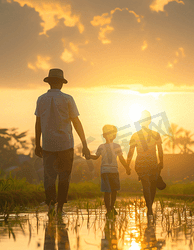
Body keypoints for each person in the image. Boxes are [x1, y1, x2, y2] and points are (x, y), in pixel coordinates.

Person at [34, 68, 90, 215]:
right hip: (65, 144)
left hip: (48, 145)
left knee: (49, 177)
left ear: (50, 83)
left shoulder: (41, 99)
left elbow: (38, 123)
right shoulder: (67, 99)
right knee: (64, 176)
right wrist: (84, 145)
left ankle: (51, 205)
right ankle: (60, 207)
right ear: (61, 83)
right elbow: (76, 122)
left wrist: (37, 144)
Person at [126, 110, 164, 216]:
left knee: (151, 186)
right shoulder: (136, 135)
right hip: (143, 164)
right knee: (147, 185)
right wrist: (127, 165)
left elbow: (160, 150)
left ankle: (149, 207)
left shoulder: (156, 135)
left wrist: (161, 162)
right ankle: (150, 209)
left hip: (152, 164)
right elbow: (131, 152)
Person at [89, 125, 131, 216]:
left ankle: (111, 208)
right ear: (104, 135)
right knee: (108, 191)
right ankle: (109, 209)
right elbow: (96, 157)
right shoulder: (102, 146)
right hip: (106, 171)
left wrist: (127, 167)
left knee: (113, 191)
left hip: (113, 171)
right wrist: (89, 156)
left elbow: (121, 158)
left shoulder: (116, 146)